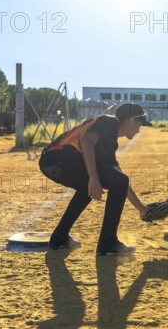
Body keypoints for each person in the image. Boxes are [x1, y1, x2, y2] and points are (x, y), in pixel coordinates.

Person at [39, 103, 152, 255]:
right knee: (99, 183)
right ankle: (108, 244)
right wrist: (93, 178)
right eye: (139, 124)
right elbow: (86, 142)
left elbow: (121, 181)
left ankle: (59, 239)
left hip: (54, 162)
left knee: (96, 187)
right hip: (58, 159)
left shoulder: (110, 145)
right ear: (131, 121)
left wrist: (142, 209)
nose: (139, 129)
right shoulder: (110, 122)